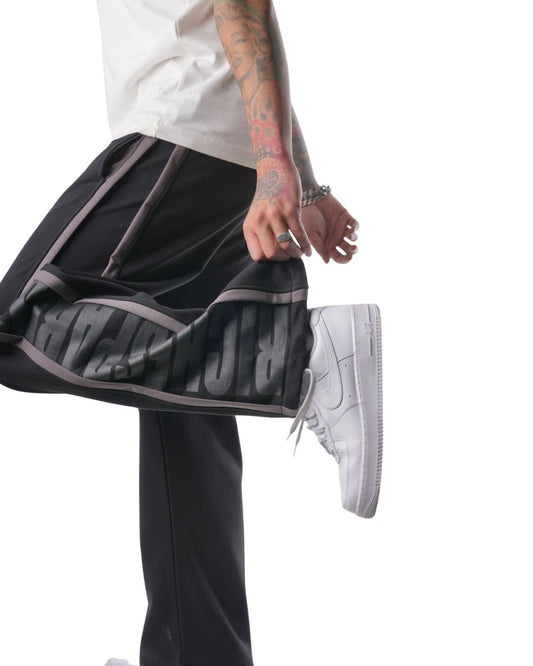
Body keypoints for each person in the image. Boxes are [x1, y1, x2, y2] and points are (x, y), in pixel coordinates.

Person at [0, 1, 383, 665]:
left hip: (179, 133)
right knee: (185, 408)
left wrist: (279, 165)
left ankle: (301, 363)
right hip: (220, 156)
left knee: (16, 324)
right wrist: (299, 177)